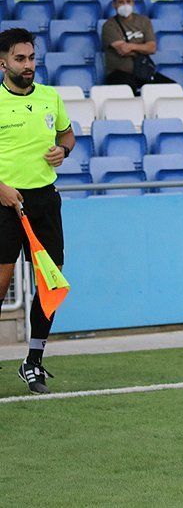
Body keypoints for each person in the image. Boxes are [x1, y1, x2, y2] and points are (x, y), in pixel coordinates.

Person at [0, 29, 76, 394]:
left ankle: (33, 362)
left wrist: (63, 151)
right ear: (3, 62)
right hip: (4, 203)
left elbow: (68, 136)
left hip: (44, 201)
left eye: (31, 57)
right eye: (20, 59)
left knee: (50, 283)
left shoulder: (50, 97)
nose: (28, 65)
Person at [101, 0, 175, 94]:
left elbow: (152, 48)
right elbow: (123, 50)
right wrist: (142, 47)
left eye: (128, 1)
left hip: (143, 72)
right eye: (121, 2)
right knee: (131, 91)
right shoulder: (109, 26)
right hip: (119, 74)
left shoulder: (144, 21)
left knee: (173, 88)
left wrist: (131, 46)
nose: (125, 5)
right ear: (114, 4)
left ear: (133, 3)